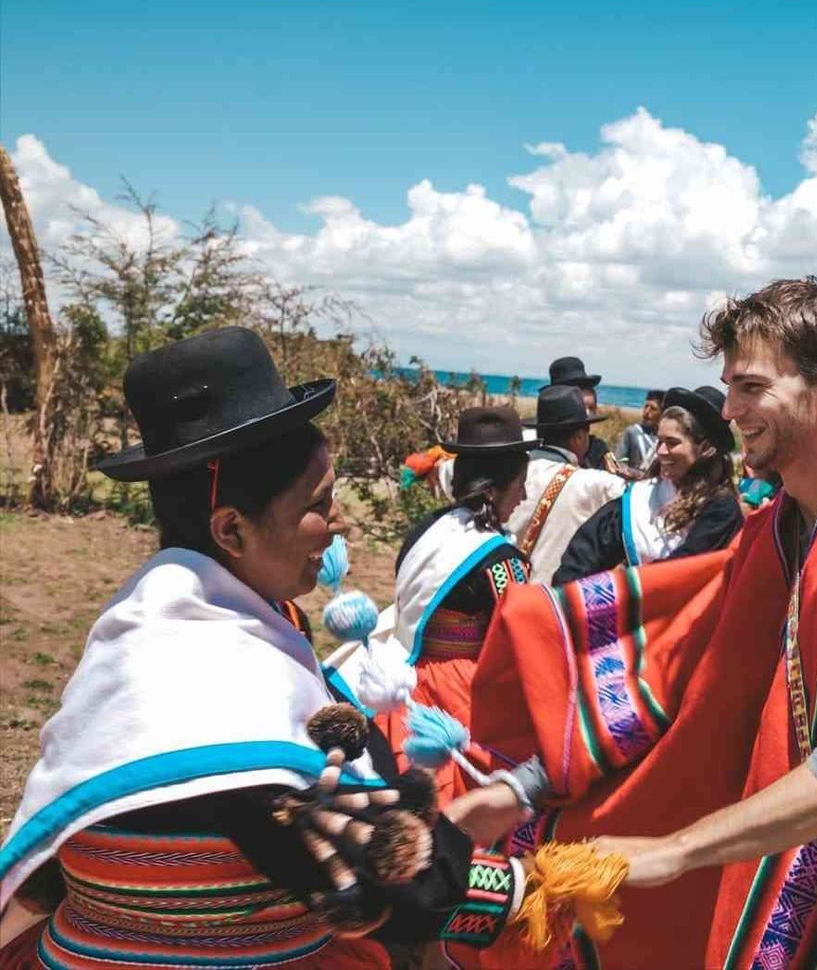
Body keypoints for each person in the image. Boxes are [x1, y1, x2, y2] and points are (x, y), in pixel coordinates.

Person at [468, 278, 817, 968]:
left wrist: (674, 851)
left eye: (751, 387)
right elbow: (678, 680)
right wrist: (516, 792)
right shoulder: (781, 533)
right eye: (728, 386)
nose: (729, 409)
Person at [0, 329, 532, 968]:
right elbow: (405, 892)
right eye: (319, 505)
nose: (339, 525)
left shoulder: (136, 626)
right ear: (231, 528)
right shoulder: (232, 684)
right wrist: (509, 857)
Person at [380, 406, 535, 803]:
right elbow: (514, 641)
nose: (525, 496)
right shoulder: (501, 561)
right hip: (461, 692)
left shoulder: (428, 531)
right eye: (521, 484)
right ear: (492, 489)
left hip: (407, 680)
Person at [554, 385, 742, 582]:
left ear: (704, 448)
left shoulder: (721, 509)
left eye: (672, 443)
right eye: (659, 441)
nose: (660, 451)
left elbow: (685, 569)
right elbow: (586, 551)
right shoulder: (642, 497)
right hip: (636, 606)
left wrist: (621, 585)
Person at [504, 385, 626, 585]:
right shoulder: (595, 484)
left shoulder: (507, 473)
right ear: (579, 437)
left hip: (506, 598)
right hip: (553, 604)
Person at [546, 356, 611, 470]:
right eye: (581, 408)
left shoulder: (597, 450)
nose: (587, 415)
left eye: (591, 408)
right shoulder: (540, 452)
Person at [613, 389, 665, 474]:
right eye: (646, 406)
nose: (647, 411)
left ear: (662, 413)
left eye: (653, 408)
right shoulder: (632, 432)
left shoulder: (664, 439)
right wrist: (635, 474)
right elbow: (618, 462)